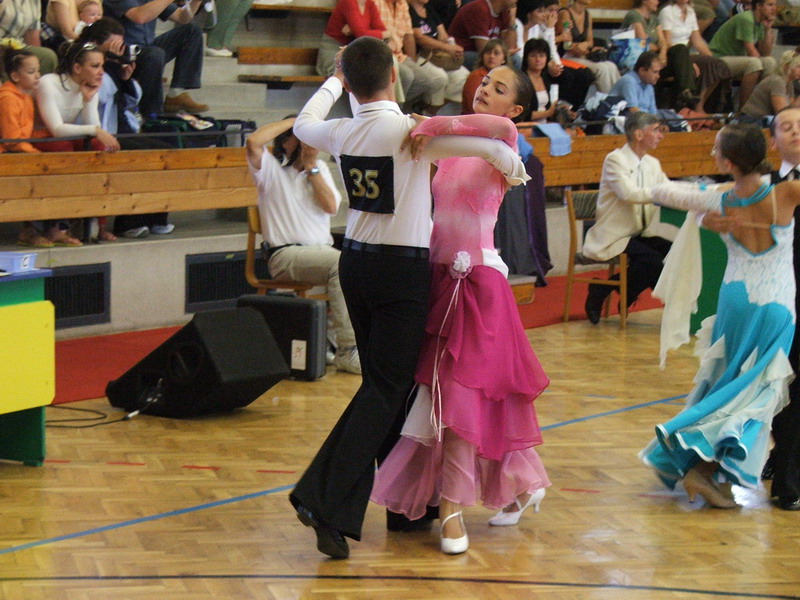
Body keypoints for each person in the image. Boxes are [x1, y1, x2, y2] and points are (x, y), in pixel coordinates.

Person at [289, 36, 530, 559]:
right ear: (395, 76)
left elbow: (303, 124)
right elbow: (497, 148)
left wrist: (334, 80)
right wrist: (445, 132)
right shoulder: (410, 130)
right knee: (387, 387)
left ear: (350, 83)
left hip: (353, 265)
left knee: (391, 387)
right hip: (401, 274)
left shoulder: (340, 129)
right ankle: (321, 497)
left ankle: (405, 509)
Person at [370, 64, 550, 555]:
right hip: (438, 279)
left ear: (515, 108)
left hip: (478, 286)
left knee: (459, 399)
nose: (485, 89)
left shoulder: (504, 137)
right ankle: (522, 484)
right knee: (461, 399)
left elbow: (481, 128)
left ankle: (452, 506)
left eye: (498, 88)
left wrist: (422, 124)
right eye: (485, 81)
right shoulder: (450, 151)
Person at [640, 122, 799, 508]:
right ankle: (704, 468)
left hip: (734, 302)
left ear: (728, 163)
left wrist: (701, 215)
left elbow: (659, 191)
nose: (713, 155)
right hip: (775, 306)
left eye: (715, 150)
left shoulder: (719, 199)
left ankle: (711, 472)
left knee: (726, 383)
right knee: (751, 395)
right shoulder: (787, 192)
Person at [244, 116, 361, 375]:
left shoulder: (319, 168)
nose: (310, 144)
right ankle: (348, 349)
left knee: (361, 265)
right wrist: (294, 122)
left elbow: (330, 207)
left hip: (320, 252)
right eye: (303, 138)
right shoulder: (270, 169)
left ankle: (332, 340)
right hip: (285, 254)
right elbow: (253, 141)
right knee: (341, 264)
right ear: (287, 142)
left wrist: (311, 167)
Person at [582, 111, 675, 324]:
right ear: (639, 134)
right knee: (652, 262)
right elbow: (629, 194)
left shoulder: (652, 163)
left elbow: (669, 188)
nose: (661, 135)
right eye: (656, 130)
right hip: (614, 234)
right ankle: (616, 292)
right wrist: (661, 193)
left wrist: (697, 193)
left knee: (673, 252)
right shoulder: (615, 160)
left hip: (638, 233)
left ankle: (608, 289)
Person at [36, 39, 120, 244]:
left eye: (102, 66)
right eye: (95, 66)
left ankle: (98, 222)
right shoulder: (49, 83)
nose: (101, 72)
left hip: (64, 138)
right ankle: (58, 227)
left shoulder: (90, 86)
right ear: (77, 68)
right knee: (64, 148)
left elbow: (94, 130)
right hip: (38, 137)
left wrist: (88, 100)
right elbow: (56, 129)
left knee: (99, 147)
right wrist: (95, 130)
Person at [762, 106, 800, 511]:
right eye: (786, 127)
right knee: (777, 386)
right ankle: (781, 454)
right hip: (775, 302)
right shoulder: (764, 188)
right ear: (773, 141)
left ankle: (789, 482)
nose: (795, 133)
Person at [103, 0, 208, 115]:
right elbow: (139, 16)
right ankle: (152, 114)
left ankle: (176, 94)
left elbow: (182, 17)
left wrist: (195, 2)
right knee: (154, 54)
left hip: (147, 49)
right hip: (123, 55)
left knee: (191, 31)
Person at [513, 0, 594, 110]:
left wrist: (557, 65)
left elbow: (547, 50)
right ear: (529, 13)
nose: (545, 14)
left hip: (539, 63)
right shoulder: (517, 25)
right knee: (566, 77)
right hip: (525, 66)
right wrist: (550, 29)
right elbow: (523, 54)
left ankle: (569, 109)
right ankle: (554, 108)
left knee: (579, 75)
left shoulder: (535, 28)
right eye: (540, 11)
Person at [658, 0, 730, 111]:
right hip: (674, 54)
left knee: (717, 64)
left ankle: (701, 104)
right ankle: (688, 99)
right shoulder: (667, 11)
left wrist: (711, 58)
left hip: (687, 54)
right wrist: (687, 61)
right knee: (684, 53)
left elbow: (698, 41)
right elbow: (667, 41)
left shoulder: (690, 12)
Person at [376, 0, 445, 111]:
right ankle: (392, 112)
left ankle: (394, 107)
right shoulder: (377, 2)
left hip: (399, 55)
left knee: (425, 80)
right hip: (381, 55)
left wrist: (412, 62)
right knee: (407, 75)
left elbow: (409, 35)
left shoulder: (402, 4)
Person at [708, 0, 777, 110]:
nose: (774, 9)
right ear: (758, 6)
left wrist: (767, 30)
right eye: (770, 5)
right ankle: (744, 110)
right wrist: (761, 62)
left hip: (737, 59)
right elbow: (751, 50)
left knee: (770, 62)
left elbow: (765, 53)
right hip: (718, 57)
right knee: (754, 64)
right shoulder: (746, 19)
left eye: (775, 5)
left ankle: (764, 108)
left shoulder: (760, 22)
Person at [408, 0, 469, 114]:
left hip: (437, 55)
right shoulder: (408, 10)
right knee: (440, 77)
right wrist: (447, 48)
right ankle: (426, 112)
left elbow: (443, 35)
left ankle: (437, 110)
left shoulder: (429, 9)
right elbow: (419, 38)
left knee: (463, 76)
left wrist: (452, 46)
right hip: (420, 55)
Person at [556, 0, 621, 94]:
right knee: (602, 68)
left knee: (611, 66)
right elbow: (564, 42)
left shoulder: (588, 15)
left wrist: (584, 45)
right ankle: (608, 99)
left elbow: (590, 42)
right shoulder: (565, 13)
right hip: (566, 56)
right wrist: (577, 47)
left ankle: (618, 99)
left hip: (582, 55)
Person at [316, 0, 386, 76]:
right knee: (351, 76)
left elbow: (380, 29)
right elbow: (362, 34)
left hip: (353, 52)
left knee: (384, 68)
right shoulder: (348, 2)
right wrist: (387, 33)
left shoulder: (369, 4)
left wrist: (358, 29)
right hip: (334, 49)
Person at [448, 0, 517, 71]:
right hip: (460, 54)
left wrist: (512, 20)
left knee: (513, 59)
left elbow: (510, 47)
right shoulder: (479, 8)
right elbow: (484, 49)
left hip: (483, 52)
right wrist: (504, 54)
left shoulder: (504, 12)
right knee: (512, 60)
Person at [739, 50, 800, 122]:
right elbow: (781, 113)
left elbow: (792, 109)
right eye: (798, 67)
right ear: (786, 66)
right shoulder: (777, 81)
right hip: (752, 120)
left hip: (765, 120)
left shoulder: (789, 83)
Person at [0, 0, 58, 74]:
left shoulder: (35, 2)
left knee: (47, 56)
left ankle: (36, 81)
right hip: (2, 44)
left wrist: (32, 59)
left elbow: (32, 35)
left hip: (18, 46)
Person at [461, 37, 508, 114]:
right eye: (488, 53)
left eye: (496, 53)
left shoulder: (506, 78)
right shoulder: (477, 76)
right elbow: (475, 108)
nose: (491, 56)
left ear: (504, 59)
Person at [521, 37, 559, 123]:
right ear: (526, 58)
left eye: (541, 56)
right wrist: (548, 113)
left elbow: (548, 106)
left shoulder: (545, 77)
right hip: (528, 125)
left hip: (545, 124)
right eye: (533, 56)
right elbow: (523, 113)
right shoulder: (522, 80)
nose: (538, 60)